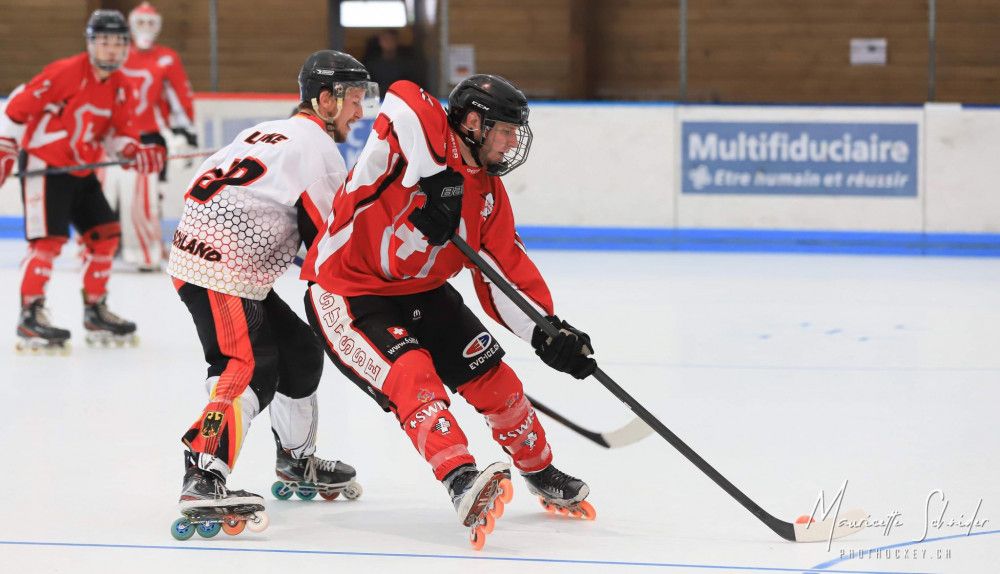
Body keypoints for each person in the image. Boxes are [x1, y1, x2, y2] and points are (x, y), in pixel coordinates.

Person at [302, 75, 597, 549]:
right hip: (348, 291)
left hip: (424, 294)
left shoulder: (487, 197)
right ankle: (461, 478)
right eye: (504, 130)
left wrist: (549, 333)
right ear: (473, 123)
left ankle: (540, 470)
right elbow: (401, 94)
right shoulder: (404, 146)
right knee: (414, 376)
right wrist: (436, 177)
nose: (512, 142)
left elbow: (503, 273)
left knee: (496, 380)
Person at [165, 50, 379, 539]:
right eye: (352, 100)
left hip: (221, 262)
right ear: (324, 100)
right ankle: (202, 474)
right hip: (221, 269)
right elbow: (329, 246)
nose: (359, 112)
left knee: (300, 352)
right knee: (245, 367)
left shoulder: (269, 131)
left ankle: (295, 462)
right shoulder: (319, 151)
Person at [0, 9, 166, 352]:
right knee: (47, 242)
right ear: (91, 44)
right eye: (104, 42)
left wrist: (134, 151)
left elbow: (121, 134)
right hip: (46, 167)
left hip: (82, 170)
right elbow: (17, 107)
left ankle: (95, 311)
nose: (111, 50)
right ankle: (30, 315)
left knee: (104, 236)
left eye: (118, 43)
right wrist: (5, 147)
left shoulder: (124, 86)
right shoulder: (63, 73)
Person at [104, 1, 197, 271]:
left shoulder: (166, 58)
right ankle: (108, 245)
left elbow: (180, 96)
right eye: (140, 23)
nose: (145, 28)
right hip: (116, 137)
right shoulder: (116, 55)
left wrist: (186, 132)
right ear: (131, 25)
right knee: (109, 194)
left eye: (150, 23)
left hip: (152, 138)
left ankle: (147, 245)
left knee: (152, 196)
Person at [362, 29, 427, 99]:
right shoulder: (371, 64)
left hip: (401, 100)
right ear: (380, 41)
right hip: (378, 101)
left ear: (396, 41)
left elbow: (414, 86)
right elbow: (368, 87)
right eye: (385, 39)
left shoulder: (407, 64)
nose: (388, 43)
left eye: (391, 40)